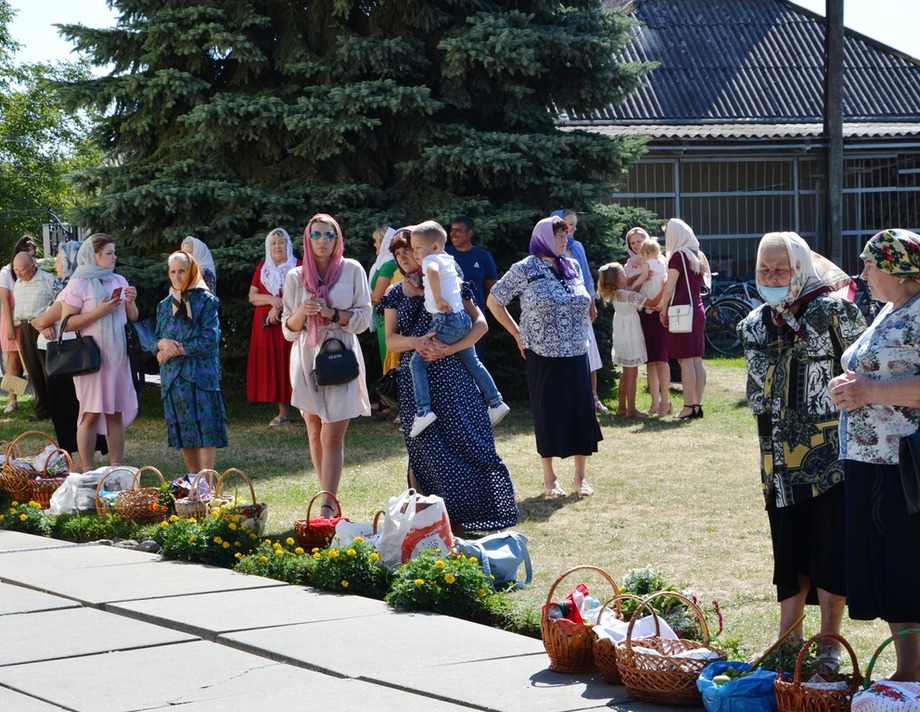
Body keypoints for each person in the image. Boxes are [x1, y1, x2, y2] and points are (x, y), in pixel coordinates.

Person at [738, 231, 866, 671]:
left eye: (781, 269)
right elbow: (758, 391)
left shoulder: (834, 311)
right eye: (763, 269)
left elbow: (864, 369)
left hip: (830, 458)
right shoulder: (754, 322)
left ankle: (830, 643)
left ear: (801, 267)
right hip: (776, 460)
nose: (771, 277)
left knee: (830, 549)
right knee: (787, 549)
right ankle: (787, 640)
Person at [829, 228, 920, 682]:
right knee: (885, 563)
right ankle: (909, 669)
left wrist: (869, 391)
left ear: (900, 271)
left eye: (871, 264)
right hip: (869, 457)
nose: (862, 272)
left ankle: (912, 673)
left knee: (904, 563)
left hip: (902, 462)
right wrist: (848, 389)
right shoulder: (891, 308)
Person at [381, 230, 517, 534]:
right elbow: (391, 341)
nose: (404, 258)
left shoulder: (449, 278)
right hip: (417, 385)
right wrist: (418, 342)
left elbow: (481, 323)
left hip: (455, 378)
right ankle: (427, 522)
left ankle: (466, 517)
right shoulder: (394, 294)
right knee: (423, 451)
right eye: (398, 254)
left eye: (409, 251)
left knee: (469, 442)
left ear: (422, 253)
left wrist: (451, 348)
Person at [488, 216, 602, 498]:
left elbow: (584, 300)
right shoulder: (524, 269)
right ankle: (550, 478)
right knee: (548, 411)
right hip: (542, 351)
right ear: (545, 238)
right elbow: (494, 300)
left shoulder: (572, 266)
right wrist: (516, 334)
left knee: (581, 411)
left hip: (577, 350)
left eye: (566, 235)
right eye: (560, 236)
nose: (565, 240)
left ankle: (580, 477)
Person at [282, 213, 371, 511]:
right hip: (306, 354)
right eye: (316, 235)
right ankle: (326, 495)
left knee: (332, 432)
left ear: (338, 239)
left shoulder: (353, 270)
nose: (322, 241)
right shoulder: (296, 276)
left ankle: (327, 507)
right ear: (308, 239)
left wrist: (331, 313)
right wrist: (304, 312)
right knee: (313, 430)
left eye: (328, 235)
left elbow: (363, 320)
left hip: (340, 351)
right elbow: (287, 327)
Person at [407, 221, 509, 437]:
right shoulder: (449, 259)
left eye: (417, 248)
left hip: (445, 320)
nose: (415, 253)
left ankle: (424, 410)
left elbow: (432, 272)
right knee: (473, 362)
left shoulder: (431, 261)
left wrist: (438, 298)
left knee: (417, 363)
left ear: (434, 247)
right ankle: (495, 401)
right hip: (463, 320)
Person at [60, 234, 139, 471]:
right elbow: (67, 323)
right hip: (92, 359)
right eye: (109, 253)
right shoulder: (78, 283)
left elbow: (132, 317)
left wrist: (131, 302)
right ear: (94, 255)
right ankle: (87, 469)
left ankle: (116, 467)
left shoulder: (119, 280)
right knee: (91, 413)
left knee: (115, 412)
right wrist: (100, 311)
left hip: (117, 357)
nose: (114, 257)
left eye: (115, 253)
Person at [31, 241, 108, 467]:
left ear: (69, 260)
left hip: (68, 358)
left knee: (68, 408)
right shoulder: (85, 285)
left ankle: (79, 458)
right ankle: (82, 455)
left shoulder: (70, 288)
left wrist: (39, 323)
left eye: (58, 258)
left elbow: (43, 319)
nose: (56, 263)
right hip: (77, 354)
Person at [154, 251, 227, 473]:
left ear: (192, 271)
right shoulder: (164, 305)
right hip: (174, 379)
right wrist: (162, 344)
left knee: (206, 429)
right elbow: (156, 337)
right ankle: (193, 480)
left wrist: (174, 350)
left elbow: (209, 340)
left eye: (182, 271)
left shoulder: (207, 302)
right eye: (173, 271)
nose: (177, 276)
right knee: (185, 431)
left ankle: (207, 483)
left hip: (201, 375)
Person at [247, 227, 299, 427]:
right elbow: (252, 296)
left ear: (288, 245)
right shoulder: (262, 268)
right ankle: (283, 412)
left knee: (294, 364)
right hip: (266, 329)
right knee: (276, 366)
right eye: (273, 243)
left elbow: (301, 295)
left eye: (281, 242)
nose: (277, 246)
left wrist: (278, 308)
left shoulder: (298, 266)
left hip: (290, 323)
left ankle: (307, 408)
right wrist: (271, 299)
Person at [658, 218, 709, 420]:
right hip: (697, 309)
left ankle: (688, 406)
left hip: (681, 310)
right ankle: (696, 404)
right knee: (696, 360)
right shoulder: (698, 255)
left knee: (685, 360)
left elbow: (670, 286)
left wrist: (663, 308)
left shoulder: (678, 256)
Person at [557, 209, 608, 414]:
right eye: (570, 224)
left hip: (580, 307)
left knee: (590, 352)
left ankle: (593, 396)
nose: (574, 228)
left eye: (575, 225)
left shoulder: (577, 247)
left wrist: (592, 303)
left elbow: (586, 275)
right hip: (561, 311)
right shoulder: (548, 249)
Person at [597, 262, 662, 418]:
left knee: (626, 373)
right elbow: (651, 302)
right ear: (619, 277)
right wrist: (665, 287)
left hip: (621, 333)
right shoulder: (628, 295)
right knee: (632, 372)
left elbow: (630, 285)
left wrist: (641, 277)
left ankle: (621, 408)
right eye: (624, 273)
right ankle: (631, 410)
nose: (626, 275)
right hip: (631, 334)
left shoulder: (616, 294)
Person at [624, 227, 672, 417]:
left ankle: (665, 401)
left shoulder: (662, 260)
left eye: (640, 240)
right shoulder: (629, 265)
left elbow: (669, 283)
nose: (637, 245)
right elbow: (627, 289)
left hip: (659, 311)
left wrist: (664, 305)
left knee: (661, 357)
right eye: (633, 242)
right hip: (642, 313)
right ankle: (654, 403)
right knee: (650, 361)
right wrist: (640, 278)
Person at [12, 251, 61, 422]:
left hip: (43, 327)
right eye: (15, 269)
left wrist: (46, 322)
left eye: (22, 270)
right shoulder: (18, 282)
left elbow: (59, 302)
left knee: (48, 370)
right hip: (25, 327)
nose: (18, 273)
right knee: (33, 370)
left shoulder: (48, 280)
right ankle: (41, 409)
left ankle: (56, 408)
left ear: (33, 266)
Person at [367, 226, 402, 419]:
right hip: (382, 321)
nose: (374, 244)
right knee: (388, 364)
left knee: (393, 364)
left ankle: (400, 409)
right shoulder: (384, 263)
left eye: (377, 241)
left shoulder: (388, 265)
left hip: (386, 320)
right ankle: (389, 405)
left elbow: (377, 297)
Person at [0, 235, 37, 413]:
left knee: (31, 361)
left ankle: (38, 396)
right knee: (13, 363)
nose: (33, 260)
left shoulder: (33, 271)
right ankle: (13, 400)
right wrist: (8, 327)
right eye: (30, 255)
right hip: (11, 321)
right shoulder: (6, 273)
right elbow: (6, 301)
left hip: (27, 321)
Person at [446, 216, 497, 313]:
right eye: (451, 230)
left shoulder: (483, 257)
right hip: (450, 313)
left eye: (457, 231)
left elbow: (492, 289)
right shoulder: (444, 255)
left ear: (469, 233)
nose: (452, 234)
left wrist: (481, 307)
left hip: (477, 313)